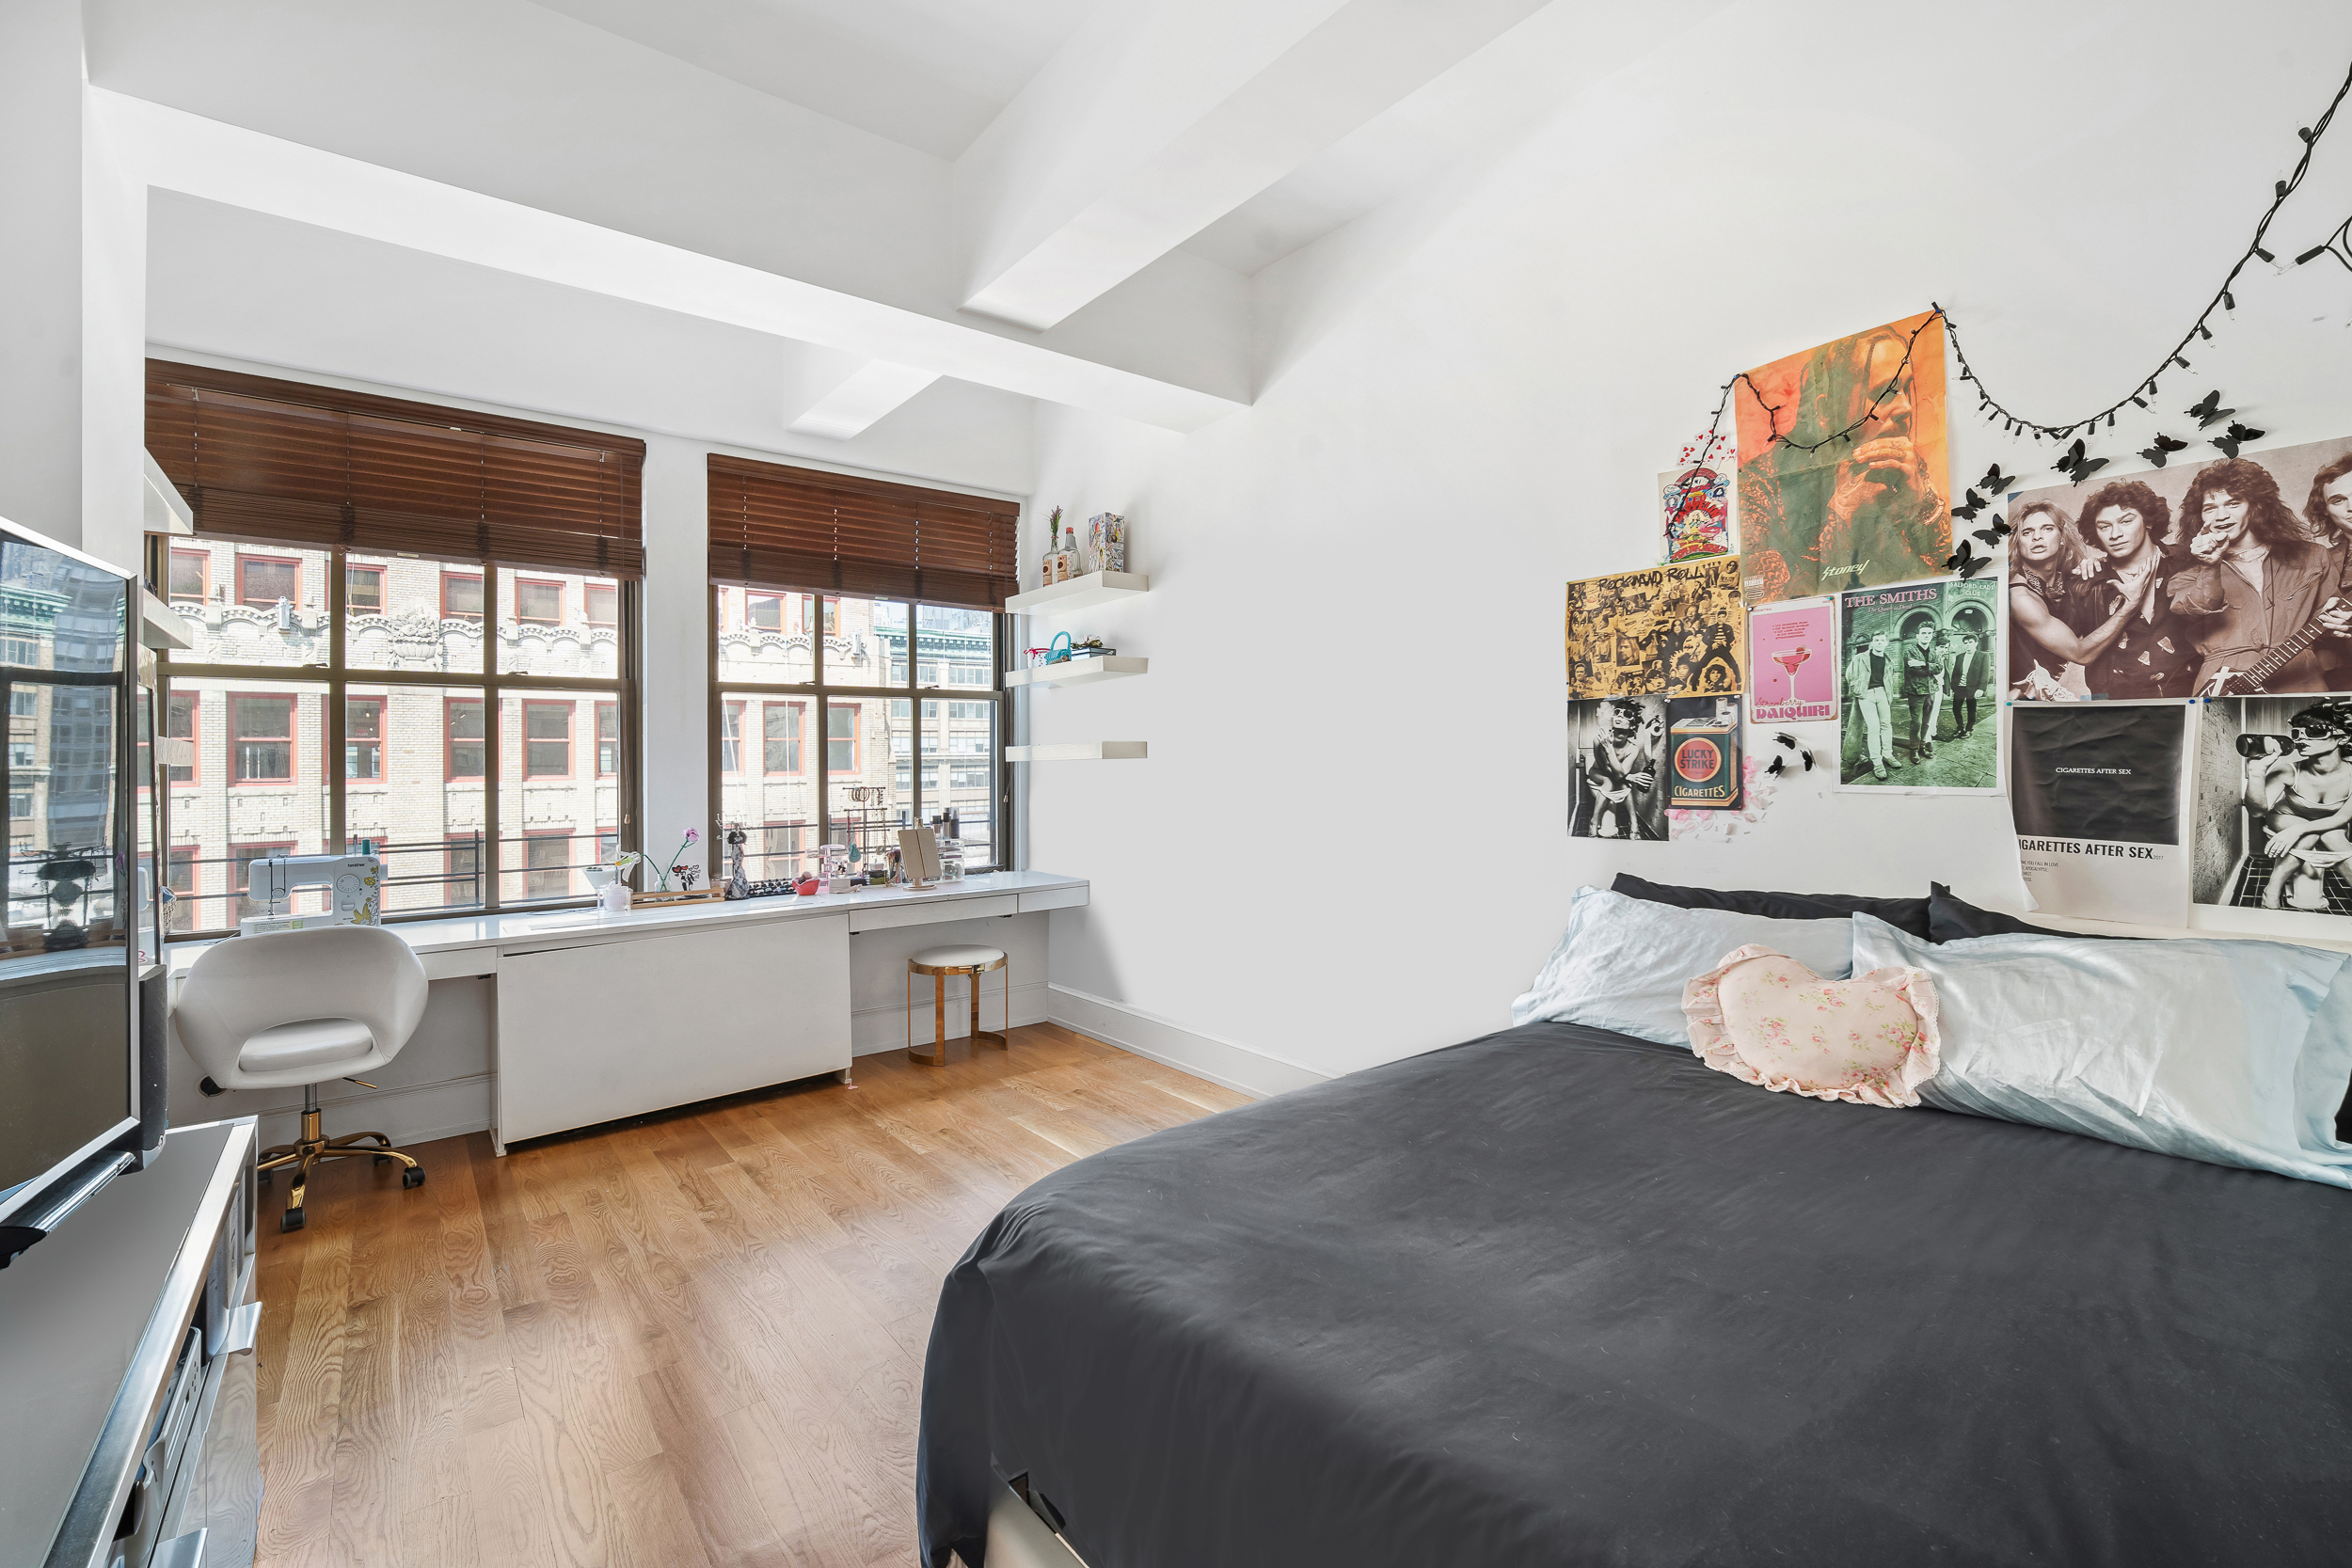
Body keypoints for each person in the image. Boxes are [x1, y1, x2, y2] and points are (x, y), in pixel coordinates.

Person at [1738, 324, 1947, 601]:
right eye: (1885, 393)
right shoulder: (1757, 483)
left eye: (1906, 389)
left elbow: (1950, 571)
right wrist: (1843, 514)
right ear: (1826, 410)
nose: (1906, 407)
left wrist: (1922, 505)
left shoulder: (1904, 466)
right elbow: (1758, 598)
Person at [2167, 457, 2351, 694]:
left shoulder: (2312, 556)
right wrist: (2209, 566)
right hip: (2224, 688)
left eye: (2233, 503)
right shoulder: (2187, 575)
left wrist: (2343, 623)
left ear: (2255, 506)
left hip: (2301, 681)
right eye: (2210, 508)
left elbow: (2331, 628)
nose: (2221, 516)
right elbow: (2197, 607)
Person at [2074, 480, 2198, 698]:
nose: (2115, 534)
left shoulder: (2188, 561)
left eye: (2126, 521)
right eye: (2104, 526)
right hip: (2120, 704)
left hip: (2194, 694)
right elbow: (2071, 649)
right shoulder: (2088, 582)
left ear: (2148, 521)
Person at [2242, 698, 2352, 911]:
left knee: (2332, 836)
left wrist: (2299, 830)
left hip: (2327, 823)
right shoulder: (2287, 771)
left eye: (2313, 732)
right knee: (2310, 835)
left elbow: (2342, 817)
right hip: (2285, 817)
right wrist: (2256, 773)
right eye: (2297, 733)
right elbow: (2256, 812)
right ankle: (2271, 890)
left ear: (2343, 738)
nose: (2301, 739)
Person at [1583, 698, 1663, 840]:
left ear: (1632, 725)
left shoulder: (1632, 749)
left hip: (1616, 774)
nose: (1619, 715)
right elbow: (1604, 767)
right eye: (1617, 712)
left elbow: (1620, 775)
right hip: (1597, 772)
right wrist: (1628, 776)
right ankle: (1593, 823)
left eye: (1626, 714)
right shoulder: (1599, 740)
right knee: (1610, 782)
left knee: (1624, 785)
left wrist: (1624, 776)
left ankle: (1634, 824)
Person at [1843, 631, 1897, 779]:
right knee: (1874, 727)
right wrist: (1858, 688)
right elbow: (1849, 674)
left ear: (1886, 643)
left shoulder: (1888, 660)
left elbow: (1889, 677)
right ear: (1872, 643)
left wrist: (1889, 692)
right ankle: (1877, 762)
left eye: (1882, 640)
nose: (1879, 642)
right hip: (1866, 695)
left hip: (1882, 693)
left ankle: (1888, 754)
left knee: (1886, 724)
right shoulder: (1860, 658)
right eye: (1876, 640)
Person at [1899, 620, 1942, 764]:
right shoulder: (1910, 651)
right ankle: (1914, 749)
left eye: (1929, 633)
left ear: (1932, 635)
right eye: (1923, 633)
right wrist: (1929, 668)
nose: (1926, 635)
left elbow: (1939, 668)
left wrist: (1923, 664)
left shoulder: (1934, 652)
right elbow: (1914, 670)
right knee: (1916, 723)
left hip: (1931, 691)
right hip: (1916, 691)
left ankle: (1922, 746)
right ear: (1918, 635)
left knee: (1926, 722)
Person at [1947, 631, 1989, 737]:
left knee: (1971, 710)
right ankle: (1960, 728)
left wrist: (1981, 688)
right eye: (1966, 643)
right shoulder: (1960, 656)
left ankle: (1969, 729)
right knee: (1956, 709)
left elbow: (1985, 673)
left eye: (1970, 642)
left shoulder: (1983, 656)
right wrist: (1953, 686)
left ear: (1976, 643)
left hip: (1973, 688)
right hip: (1960, 688)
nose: (1968, 645)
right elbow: (1955, 673)